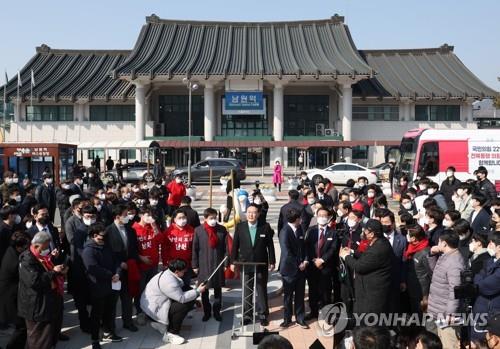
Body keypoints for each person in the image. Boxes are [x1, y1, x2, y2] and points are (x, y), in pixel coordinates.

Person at [18, 231, 67, 349]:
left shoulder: (39, 256)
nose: (46, 251)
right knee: (39, 339)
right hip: (36, 307)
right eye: (44, 248)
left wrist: (56, 269)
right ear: (36, 246)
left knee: (41, 337)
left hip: (45, 303)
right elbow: (34, 281)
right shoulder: (27, 259)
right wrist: (54, 272)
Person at [141, 259, 207, 344]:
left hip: (154, 305)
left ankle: (161, 325)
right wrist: (197, 291)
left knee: (189, 291)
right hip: (153, 311)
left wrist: (195, 293)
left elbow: (182, 289)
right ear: (176, 272)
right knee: (184, 305)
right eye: (183, 272)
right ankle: (171, 333)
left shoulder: (169, 273)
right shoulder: (169, 282)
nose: (184, 273)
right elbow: (182, 298)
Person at [230, 204, 276, 326]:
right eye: (249, 212)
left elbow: (270, 246)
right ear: (246, 213)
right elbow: (235, 246)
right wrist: (232, 261)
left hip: (261, 263)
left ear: (258, 214)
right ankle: (247, 315)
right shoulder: (240, 227)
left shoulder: (265, 227)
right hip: (245, 264)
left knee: (261, 289)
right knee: (247, 290)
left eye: (254, 212)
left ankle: (263, 314)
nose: (251, 214)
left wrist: (272, 261)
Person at [340, 219, 393, 317]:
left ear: (372, 234)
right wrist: (352, 252)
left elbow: (359, 266)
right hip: (367, 290)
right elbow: (366, 256)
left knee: (368, 322)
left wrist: (345, 256)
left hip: (372, 294)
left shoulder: (379, 248)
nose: (363, 232)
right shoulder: (377, 242)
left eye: (365, 230)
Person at [82, 223, 122, 348]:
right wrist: (111, 275)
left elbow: (116, 260)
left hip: (112, 284)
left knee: (109, 311)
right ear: (94, 236)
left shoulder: (106, 246)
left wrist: (117, 273)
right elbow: (93, 269)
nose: (105, 238)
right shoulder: (88, 250)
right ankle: (95, 339)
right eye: (102, 236)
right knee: (97, 314)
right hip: (98, 287)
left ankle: (108, 331)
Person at [427, 231, 465, 348]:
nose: (437, 244)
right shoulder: (446, 256)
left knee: (448, 344)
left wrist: (450, 313)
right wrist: (432, 254)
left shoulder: (454, 263)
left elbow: (455, 290)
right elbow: (437, 273)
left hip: (445, 314)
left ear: (444, 244)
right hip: (436, 308)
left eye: (439, 242)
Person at [106, 204, 139, 332]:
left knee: (127, 298)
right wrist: (119, 264)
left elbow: (134, 249)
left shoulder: (130, 230)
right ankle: (111, 326)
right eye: (125, 215)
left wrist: (132, 262)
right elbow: (108, 252)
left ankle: (128, 321)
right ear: (117, 216)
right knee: (113, 300)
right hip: (115, 271)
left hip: (129, 269)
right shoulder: (108, 231)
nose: (127, 217)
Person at [192, 208, 228, 322]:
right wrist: (195, 265)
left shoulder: (222, 230)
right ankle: (207, 312)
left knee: (218, 290)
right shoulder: (198, 230)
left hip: (217, 264)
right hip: (203, 265)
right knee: (204, 290)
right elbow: (195, 249)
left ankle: (217, 312)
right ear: (205, 218)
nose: (213, 220)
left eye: (215, 218)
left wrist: (226, 263)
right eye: (211, 218)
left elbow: (227, 248)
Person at [304, 207, 338, 321]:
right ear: (316, 217)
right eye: (320, 215)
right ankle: (313, 312)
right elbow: (307, 246)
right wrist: (314, 260)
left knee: (326, 292)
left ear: (328, 218)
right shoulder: (311, 230)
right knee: (313, 290)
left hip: (326, 267)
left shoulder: (333, 232)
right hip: (313, 266)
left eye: (325, 216)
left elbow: (333, 249)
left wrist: (322, 260)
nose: (322, 218)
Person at [278, 208, 308, 329]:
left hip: (301, 269)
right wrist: (298, 265)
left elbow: (304, 246)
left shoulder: (299, 229)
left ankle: (300, 318)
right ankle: (287, 318)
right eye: (300, 218)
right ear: (296, 219)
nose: (301, 220)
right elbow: (286, 252)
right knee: (288, 296)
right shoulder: (285, 231)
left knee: (300, 295)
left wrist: (305, 260)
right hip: (289, 269)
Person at [0, 232, 30, 349]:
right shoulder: (14, 260)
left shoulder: (11, 251)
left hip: (10, 294)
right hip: (10, 297)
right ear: (19, 247)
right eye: (26, 246)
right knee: (21, 326)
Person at [472, 232, 500, 341]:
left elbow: (486, 286)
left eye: (491, 244)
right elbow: (478, 277)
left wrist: (481, 281)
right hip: (481, 309)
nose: (489, 246)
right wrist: (480, 280)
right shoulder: (489, 261)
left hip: (492, 313)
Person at [380, 209, 407, 313]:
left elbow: (404, 261)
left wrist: (403, 280)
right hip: (380, 280)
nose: (384, 225)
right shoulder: (377, 238)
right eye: (382, 223)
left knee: (394, 306)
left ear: (393, 223)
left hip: (395, 279)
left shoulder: (402, 240)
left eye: (386, 222)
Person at [404, 225, 431, 315]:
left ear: (414, 238)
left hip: (421, 290)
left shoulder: (425, 253)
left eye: (408, 235)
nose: (406, 236)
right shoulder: (411, 247)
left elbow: (431, 274)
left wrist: (426, 296)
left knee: (419, 314)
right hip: (411, 286)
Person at [164, 210, 195, 286]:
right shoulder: (169, 231)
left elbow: (194, 248)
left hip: (186, 265)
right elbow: (164, 249)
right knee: (173, 286)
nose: (182, 219)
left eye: (184, 217)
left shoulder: (191, 230)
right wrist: (165, 262)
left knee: (186, 285)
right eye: (179, 218)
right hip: (173, 266)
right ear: (174, 219)